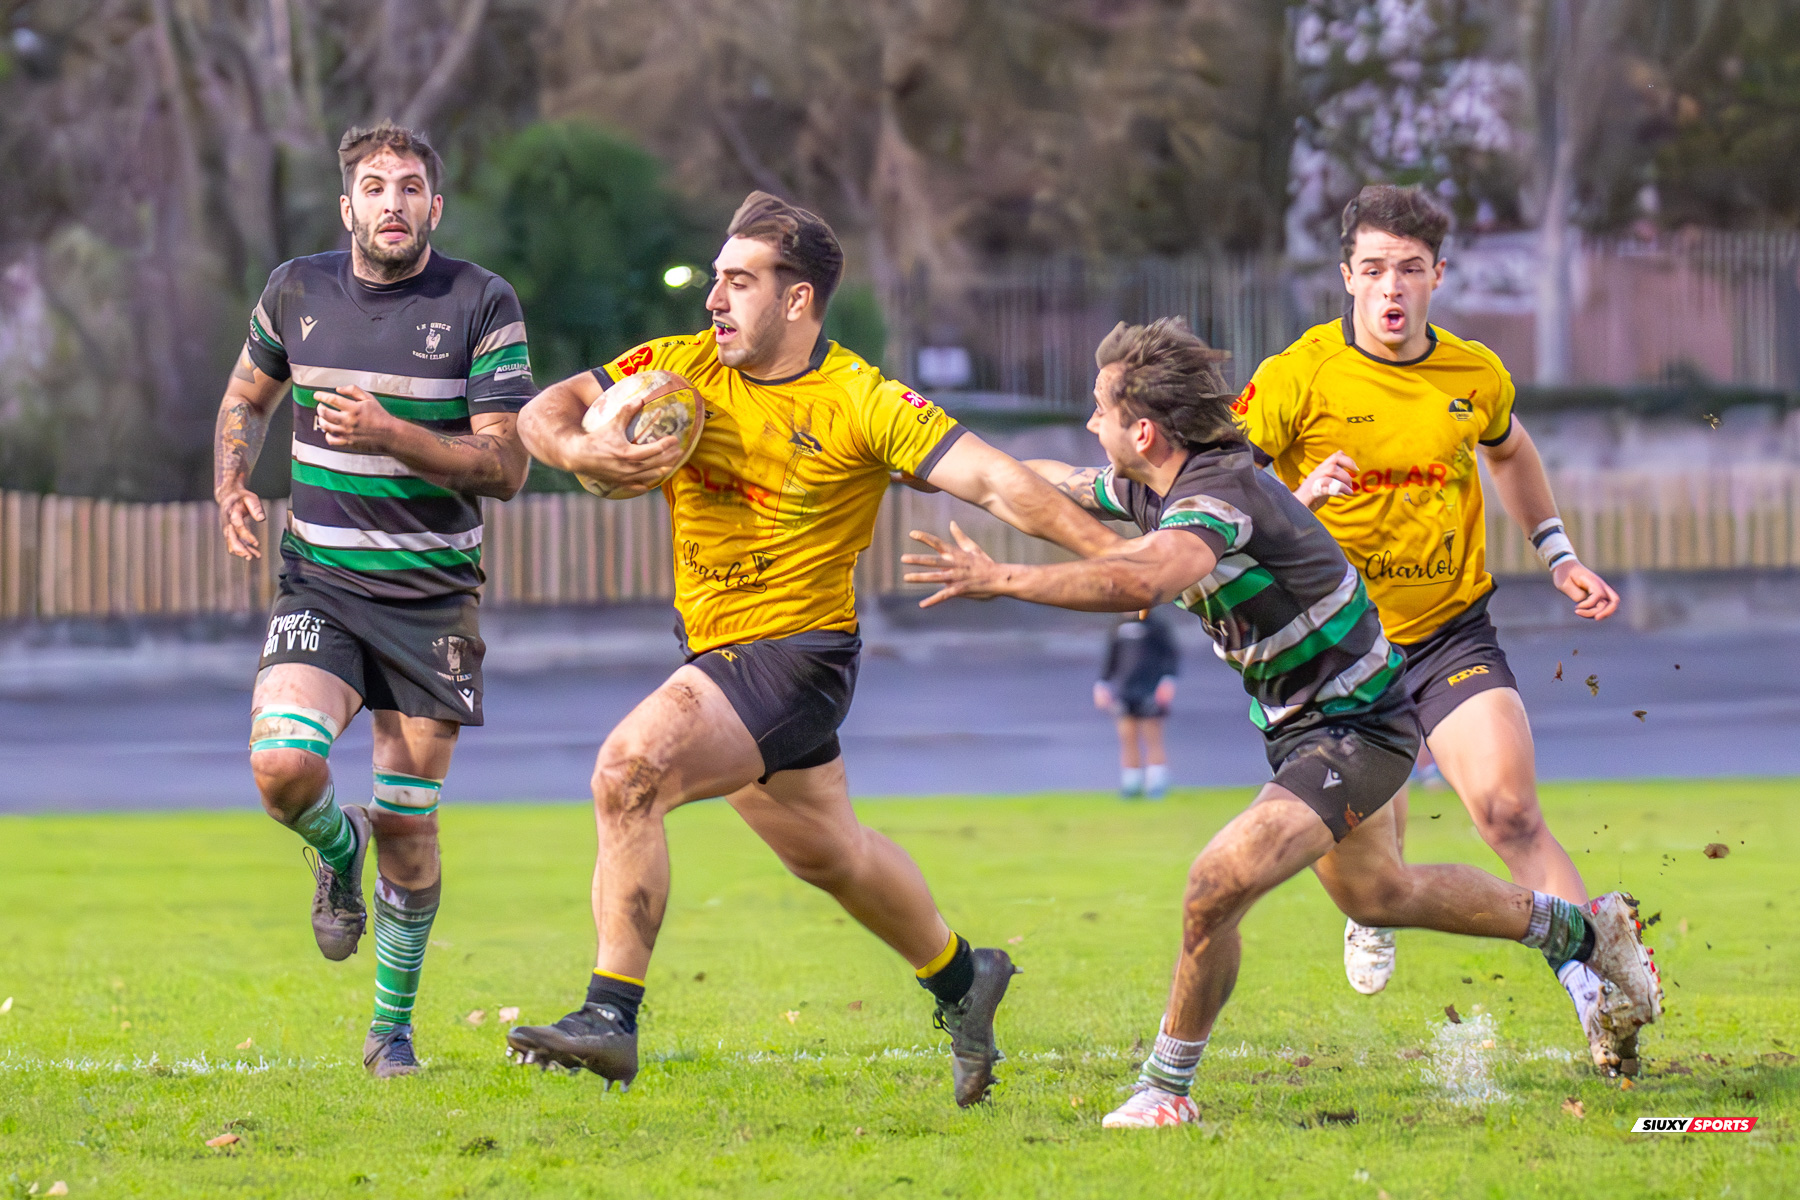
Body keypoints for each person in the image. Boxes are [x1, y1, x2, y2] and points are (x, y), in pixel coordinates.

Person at [902, 317, 1660, 1127]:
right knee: (1380, 895)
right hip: (1308, 726)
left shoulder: (1215, 502)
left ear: (1145, 429)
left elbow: (1140, 583)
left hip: (1358, 726)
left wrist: (1002, 577)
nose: (1093, 424)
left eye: (1101, 411)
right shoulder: (1156, 482)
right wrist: (931, 460)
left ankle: (1166, 1089)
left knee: (1214, 884)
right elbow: (1052, 481)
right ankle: (1585, 934)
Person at [503, 192, 1124, 1106]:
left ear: (797, 302)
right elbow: (547, 406)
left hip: (795, 656)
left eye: (739, 281)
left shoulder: (862, 400)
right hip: (716, 651)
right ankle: (963, 979)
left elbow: (994, 479)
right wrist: (575, 452)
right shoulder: (676, 370)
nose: (714, 298)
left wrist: (1119, 561)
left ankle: (611, 1016)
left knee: (628, 772)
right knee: (831, 856)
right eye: (715, 278)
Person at [1235, 184, 1633, 1071]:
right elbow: (1224, 491)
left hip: (1449, 630)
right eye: (1373, 269)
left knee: (1510, 810)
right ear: (1346, 276)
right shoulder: (1297, 376)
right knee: (1377, 881)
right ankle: (1368, 912)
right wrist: (1298, 500)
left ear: (1437, 277)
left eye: (1410, 270)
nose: (1391, 288)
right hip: (1336, 653)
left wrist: (1558, 551)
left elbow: (1513, 450)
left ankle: (1597, 997)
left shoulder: (1472, 374)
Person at [211, 122, 534, 1078]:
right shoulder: (296, 290)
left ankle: (389, 1031)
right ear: (346, 205)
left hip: (433, 599)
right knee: (281, 769)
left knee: (409, 825)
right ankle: (329, 845)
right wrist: (231, 481)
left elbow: (506, 466)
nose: (391, 203)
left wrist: (394, 434)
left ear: (436, 206)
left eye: (409, 188)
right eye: (373, 187)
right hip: (322, 582)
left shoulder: (482, 302)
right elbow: (246, 397)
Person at [1095, 609, 1180, 798]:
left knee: (1152, 736)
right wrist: (1102, 684)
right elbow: (1111, 657)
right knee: (1127, 736)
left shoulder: (1155, 625)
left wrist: (1167, 681)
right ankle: (1131, 782)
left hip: (1150, 688)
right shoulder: (1118, 626)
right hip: (1125, 689)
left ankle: (1157, 781)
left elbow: (1171, 655)